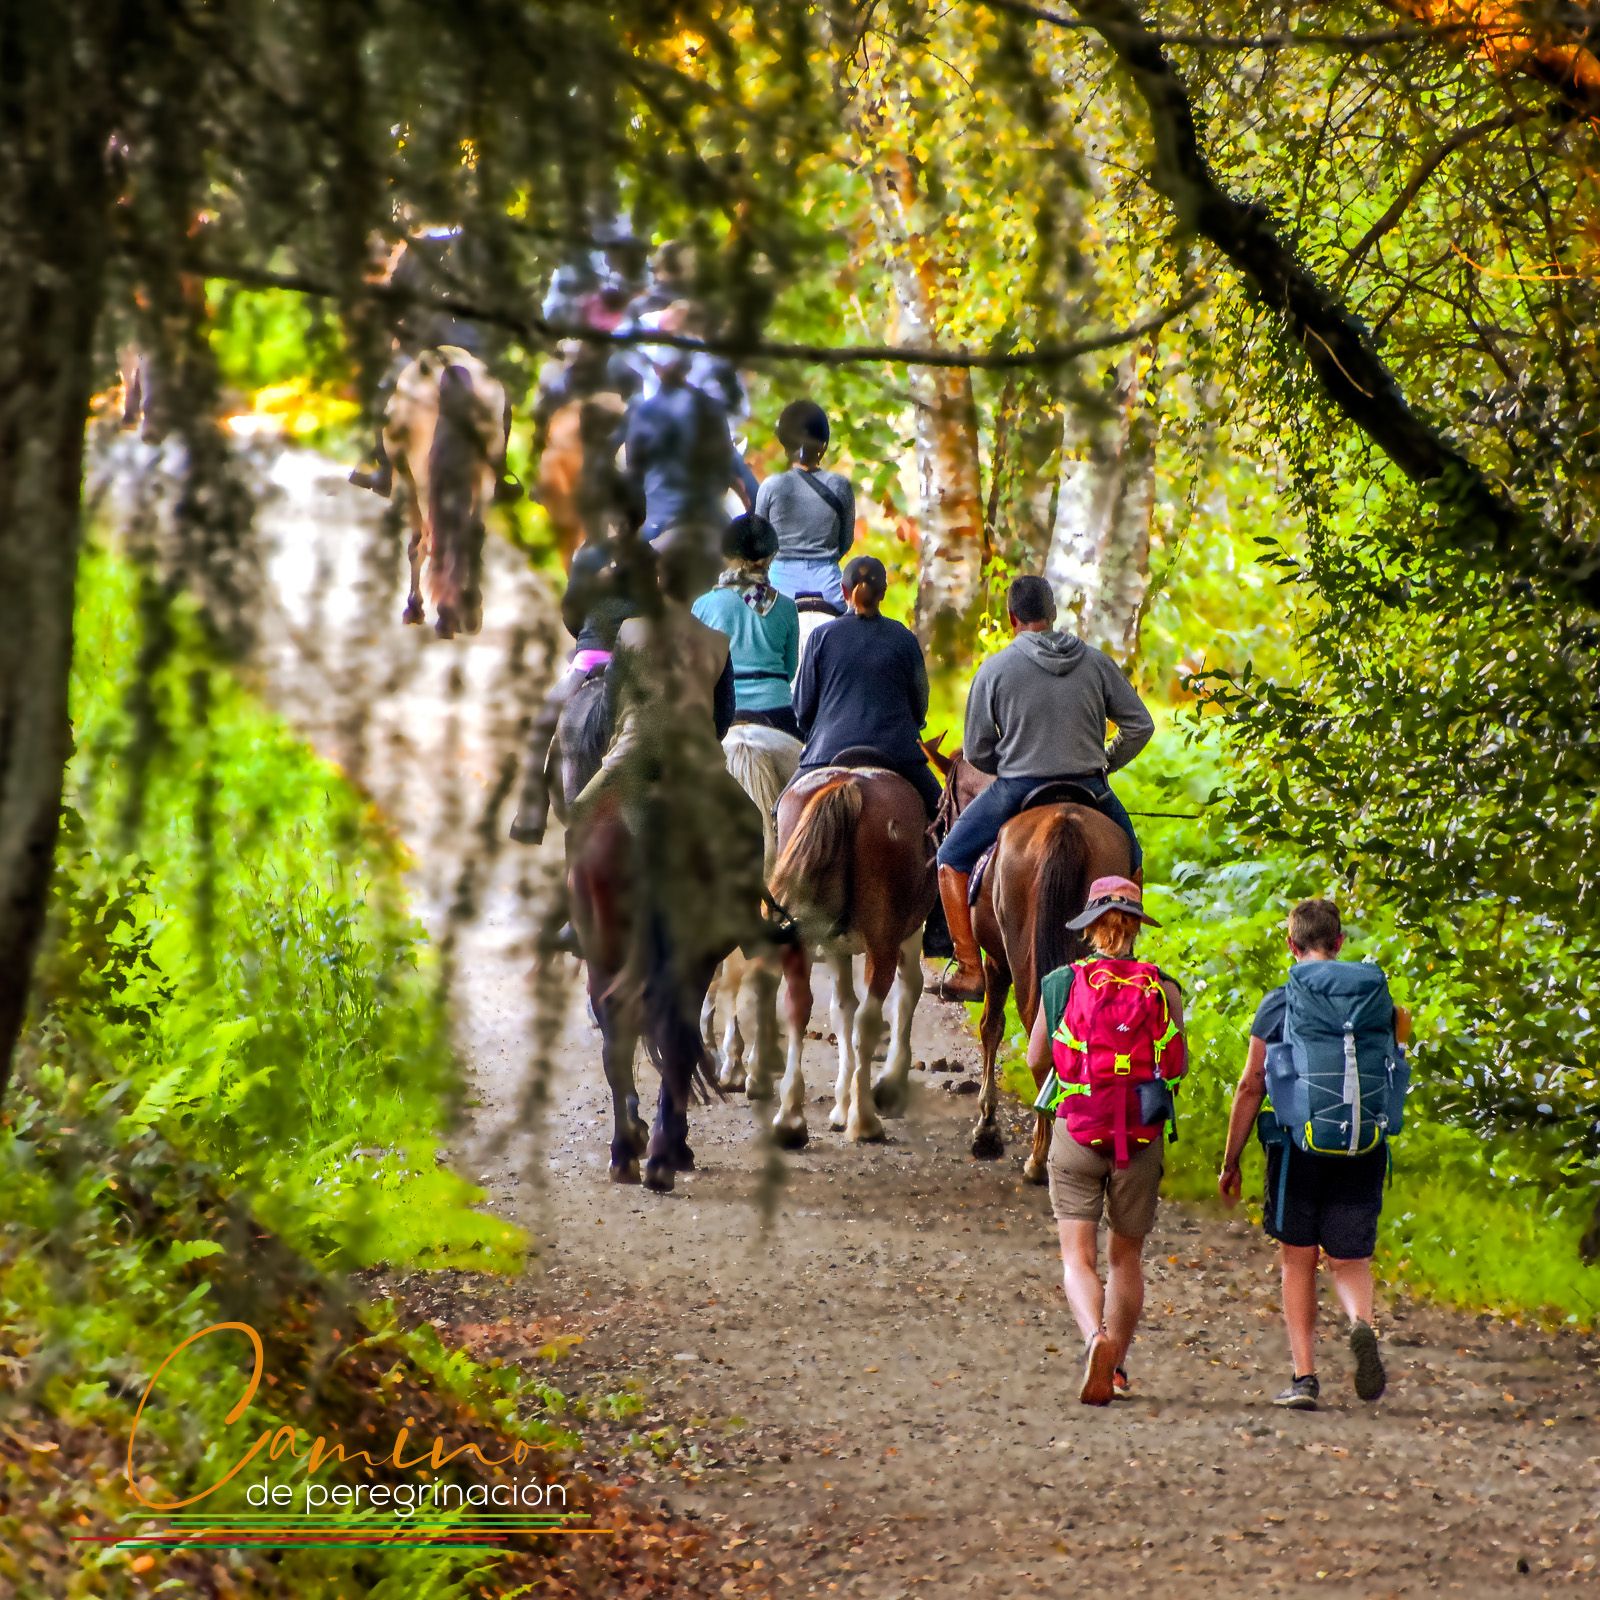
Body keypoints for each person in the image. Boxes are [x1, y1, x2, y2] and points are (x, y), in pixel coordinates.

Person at [1218, 898, 1411, 1410]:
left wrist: (1231, 1158)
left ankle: (1304, 1377)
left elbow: (1251, 1083)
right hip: (1363, 1143)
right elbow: (1399, 1044)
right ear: (1340, 942)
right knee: (1350, 1260)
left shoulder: (1281, 1002)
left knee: (1298, 1261)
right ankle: (1360, 1324)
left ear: (1292, 943)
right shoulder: (1376, 1001)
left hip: (1295, 1148)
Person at [934, 575, 1154, 1002]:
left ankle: (968, 967)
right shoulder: (1096, 662)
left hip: (1018, 787)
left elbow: (978, 749)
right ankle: (1123, 955)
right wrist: (1107, 760)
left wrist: (1011, 764)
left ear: (1012, 618)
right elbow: (1140, 725)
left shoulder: (994, 669)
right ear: (1053, 615)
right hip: (1091, 787)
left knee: (949, 859)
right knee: (1132, 859)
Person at [1027, 876, 1184, 1405]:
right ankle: (1115, 1366)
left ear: (1090, 928)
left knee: (1078, 1258)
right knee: (1126, 1259)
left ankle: (1094, 1337)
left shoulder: (1060, 984)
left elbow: (1035, 1059)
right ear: (1137, 927)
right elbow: (1175, 1064)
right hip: (1139, 1132)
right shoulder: (1163, 987)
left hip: (1078, 1128)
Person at [509, 475, 652, 846]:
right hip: (638, 661)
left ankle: (531, 812)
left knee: (544, 721)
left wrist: (585, 636)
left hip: (590, 657)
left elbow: (571, 614)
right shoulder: (651, 556)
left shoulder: (589, 554)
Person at [791, 555, 942, 820]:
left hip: (827, 750)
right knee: (944, 814)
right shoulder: (904, 638)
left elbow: (802, 710)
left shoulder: (821, 637)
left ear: (842, 591)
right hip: (897, 751)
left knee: (781, 809)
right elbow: (920, 706)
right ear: (883, 592)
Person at [624, 306, 749, 575]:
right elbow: (723, 463)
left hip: (659, 518)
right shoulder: (711, 407)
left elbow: (634, 475)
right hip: (706, 515)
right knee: (750, 531)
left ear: (658, 369)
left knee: (622, 578)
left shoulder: (643, 413)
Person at [692, 515, 802, 738]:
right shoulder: (787, 607)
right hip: (777, 710)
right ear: (770, 557)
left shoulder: (704, 605)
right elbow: (790, 669)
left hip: (721, 713)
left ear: (726, 556)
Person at [755, 400, 856, 611]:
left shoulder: (771, 486)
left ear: (785, 443)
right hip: (829, 588)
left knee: (752, 618)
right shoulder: (840, 485)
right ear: (823, 444)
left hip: (779, 586)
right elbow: (845, 542)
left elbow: (760, 543)